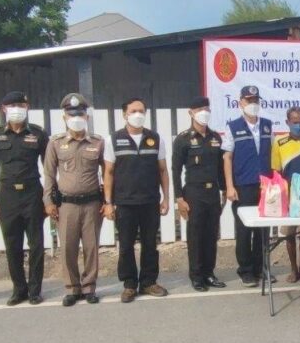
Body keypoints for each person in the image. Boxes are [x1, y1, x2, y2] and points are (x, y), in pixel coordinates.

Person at [0, 91, 48, 306]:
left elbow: (49, 168)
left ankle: (35, 290)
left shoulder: (37, 134)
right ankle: (19, 289)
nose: (16, 109)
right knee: (12, 244)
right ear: (4, 109)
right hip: (7, 194)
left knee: (36, 244)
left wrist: (49, 198)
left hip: (32, 193)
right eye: (12, 106)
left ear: (27, 107)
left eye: (21, 105)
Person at [103, 97, 170, 303]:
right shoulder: (114, 139)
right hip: (125, 203)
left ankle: (149, 282)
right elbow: (108, 172)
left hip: (150, 202)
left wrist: (166, 198)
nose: (138, 114)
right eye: (133, 111)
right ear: (125, 114)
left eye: (141, 111)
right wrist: (108, 202)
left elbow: (162, 170)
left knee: (150, 244)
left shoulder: (155, 138)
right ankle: (130, 285)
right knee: (126, 246)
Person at [43, 93, 105, 306]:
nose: (76, 118)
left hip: (92, 203)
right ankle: (72, 288)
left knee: (91, 247)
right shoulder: (56, 143)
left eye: (80, 114)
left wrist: (107, 201)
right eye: (72, 115)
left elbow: (108, 173)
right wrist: (48, 202)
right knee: (68, 248)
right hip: (66, 204)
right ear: (64, 117)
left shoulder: (97, 142)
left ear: (86, 117)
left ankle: (89, 287)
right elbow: (49, 174)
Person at [171, 97, 228, 292]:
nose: (204, 112)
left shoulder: (215, 137)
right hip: (194, 192)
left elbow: (220, 167)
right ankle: (196, 276)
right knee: (195, 235)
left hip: (213, 192)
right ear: (191, 113)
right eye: (199, 109)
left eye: (207, 109)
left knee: (211, 234)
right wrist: (179, 198)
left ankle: (209, 273)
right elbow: (176, 170)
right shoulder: (183, 139)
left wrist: (224, 189)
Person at [223, 85, 274, 287]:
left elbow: (272, 154)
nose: (252, 103)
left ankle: (261, 268)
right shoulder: (233, 127)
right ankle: (245, 271)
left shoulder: (267, 126)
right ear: (240, 103)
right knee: (244, 230)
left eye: (255, 100)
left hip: (265, 186)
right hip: (243, 185)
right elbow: (227, 158)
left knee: (263, 231)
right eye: (248, 100)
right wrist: (229, 186)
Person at [270, 106, 300, 283]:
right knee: (289, 234)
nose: (298, 125)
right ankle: (293, 269)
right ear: (287, 122)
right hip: (288, 196)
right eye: (294, 122)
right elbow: (276, 170)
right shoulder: (279, 142)